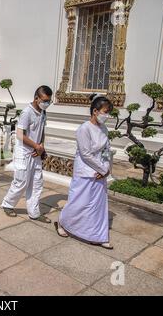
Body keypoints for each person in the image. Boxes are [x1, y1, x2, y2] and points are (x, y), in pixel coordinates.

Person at [54, 94, 114, 249]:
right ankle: (62, 221)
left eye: (108, 112)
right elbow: (86, 154)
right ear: (95, 111)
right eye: (105, 112)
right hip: (85, 171)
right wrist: (102, 168)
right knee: (79, 202)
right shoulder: (84, 129)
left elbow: (107, 150)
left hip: (100, 171)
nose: (106, 115)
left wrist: (106, 168)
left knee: (97, 206)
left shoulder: (104, 129)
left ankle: (96, 235)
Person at [1, 85, 53, 223]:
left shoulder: (43, 112)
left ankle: (34, 212)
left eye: (49, 101)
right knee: (21, 182)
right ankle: (8, 204)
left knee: (37, 183)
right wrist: (36, 146)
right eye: (44, 100)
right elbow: (19, 135)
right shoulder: (27, 113)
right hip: (23, 152)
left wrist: (41, 147)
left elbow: (42, 131)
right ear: (36, 98)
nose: (46, 104)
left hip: (35, 152)